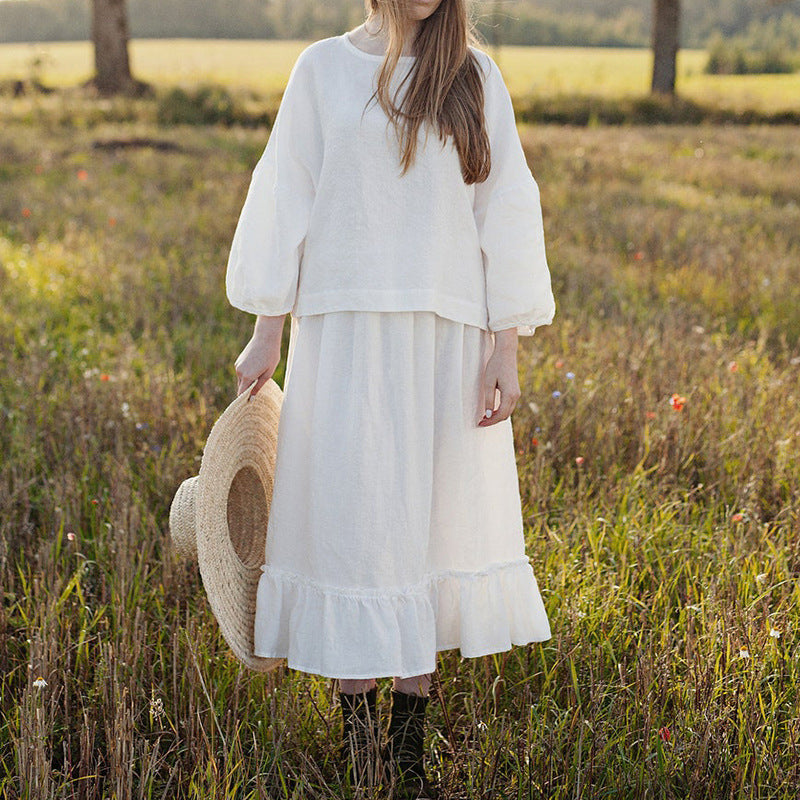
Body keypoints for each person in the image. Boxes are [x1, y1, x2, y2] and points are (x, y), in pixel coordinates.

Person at [226, 0, 555, 796]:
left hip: (444, 341)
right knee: (353, 526)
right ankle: (358, 740)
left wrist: (503, 347)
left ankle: (407, 754)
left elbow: (505, 207)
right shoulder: (322, 70)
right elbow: (286, 197)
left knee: (424, 532)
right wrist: (267, 330)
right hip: (341, 335)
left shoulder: (473, 77)